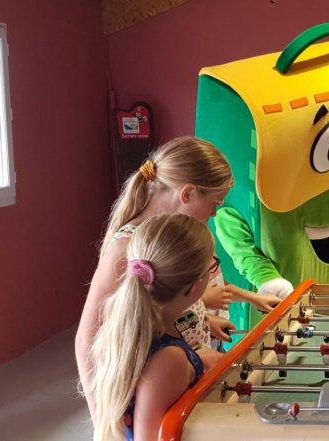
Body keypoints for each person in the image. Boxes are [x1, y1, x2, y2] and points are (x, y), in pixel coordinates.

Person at [75, 136, 279, 419]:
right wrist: (104, 421)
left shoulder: (170, 236)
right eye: (214, 204)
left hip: (185, 377)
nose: (214, 213)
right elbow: (88, 337)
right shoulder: (128, 247)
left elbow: (155, 306)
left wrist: (201, 320)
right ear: (187, 194)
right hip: (154, 393)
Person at [87, 213, 216, 441]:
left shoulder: (134, 326)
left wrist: (197, 361)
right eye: (211, 268)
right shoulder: (169, 359)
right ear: (196, 287)